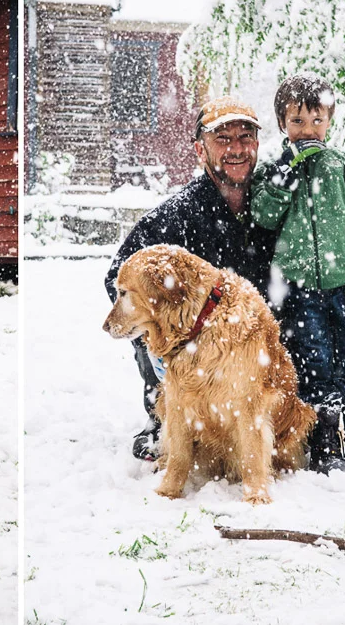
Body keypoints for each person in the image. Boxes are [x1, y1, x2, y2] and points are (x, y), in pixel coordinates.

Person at [105, 96, 277, 461]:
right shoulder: (177, 215)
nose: (236, 148)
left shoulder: (274, 205)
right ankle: (163, 419)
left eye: (245, 137)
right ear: (201, 149)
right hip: (193, 344)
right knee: (151, 328)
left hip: (254, 343)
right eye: (223, 138)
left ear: (257, 145)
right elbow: (119, 275)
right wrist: (164, 327)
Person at [250, 72, 345, 482]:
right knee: (315, 366)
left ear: (330, 120)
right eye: (297, 122)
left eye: (316, 120)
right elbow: (263, 215)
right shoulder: (274, 172)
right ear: (282, 124)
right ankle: (326, 446)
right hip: (300, 290)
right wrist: (285, 177)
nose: (307, 130)